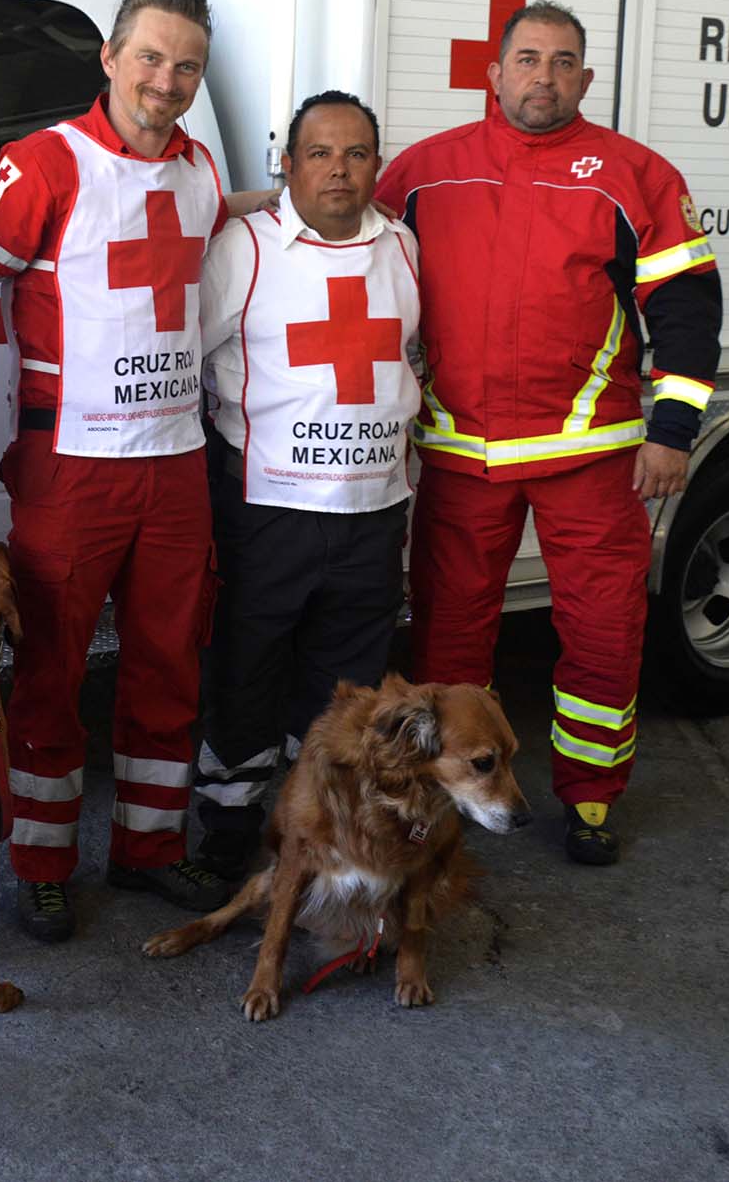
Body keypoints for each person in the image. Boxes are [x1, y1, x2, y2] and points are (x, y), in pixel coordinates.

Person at [373, 0, 722, 865]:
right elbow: (348, 257)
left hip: (592, 457)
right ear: (494, 74)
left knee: (603, 634)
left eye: (564, 62)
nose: (545, 77)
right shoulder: (422, 172)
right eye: (528, 59)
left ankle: (592, 796)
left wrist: (672, 430)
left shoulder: (636, 175)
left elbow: (686, 311)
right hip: (458, 452)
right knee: (448, 647)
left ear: (587, 78)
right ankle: (443, 792)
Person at [0, 0, 271, 942]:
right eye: (150, 58)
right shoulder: (42, 164)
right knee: (51, 670)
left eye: (186, 66)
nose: (167, 81)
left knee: (166, 667)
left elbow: (218, 235)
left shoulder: (198, 171)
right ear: (109, 57)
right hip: (71, 465)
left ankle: (147, 849)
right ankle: (44, 865)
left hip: (176, 461)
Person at [191, 90, 423, 880]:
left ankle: (322, 818)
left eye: (356, 154)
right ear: (286, 164)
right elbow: (187, 352)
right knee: (247, 666)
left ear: (377, 167)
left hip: (372, 510)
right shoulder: (244, 249)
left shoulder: (403, 247)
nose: (338, 169)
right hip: (267, 509)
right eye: (319, 153)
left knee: (347, 688)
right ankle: (228, 820)